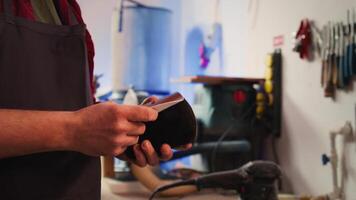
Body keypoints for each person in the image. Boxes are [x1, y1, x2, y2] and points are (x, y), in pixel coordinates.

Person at [0, 1, 191, 199]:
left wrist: (118, 132)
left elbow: (71, 106)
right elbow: (75, 124)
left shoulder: (66, 9)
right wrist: (75, 130)